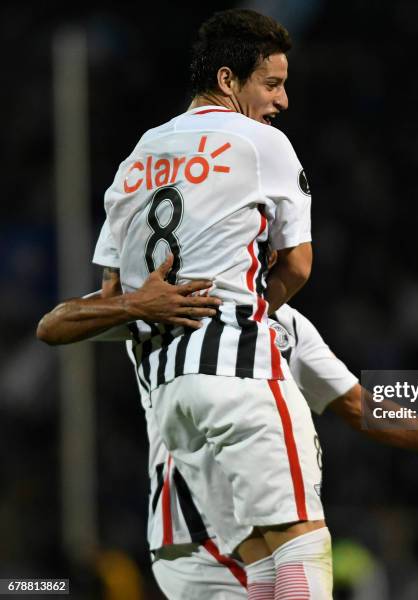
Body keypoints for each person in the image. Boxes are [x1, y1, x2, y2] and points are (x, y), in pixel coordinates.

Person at [49, 8, 330, 598]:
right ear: (228, 81)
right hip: (238, 370)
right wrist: (256, 306)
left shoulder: (138, 157)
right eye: (271, 84)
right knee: (302, 549)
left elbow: (109, 296)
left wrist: (141, 307)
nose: (281, 101)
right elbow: (299, 263)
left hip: (168, 402)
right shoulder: (263, 143)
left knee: (258, 561)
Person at [38, 265, 418, 599]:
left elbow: (359, 406)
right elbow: (54, 324)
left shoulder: (287, 326)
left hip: (254, 534)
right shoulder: (174, 301)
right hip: (195, 532)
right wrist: (132, 307)